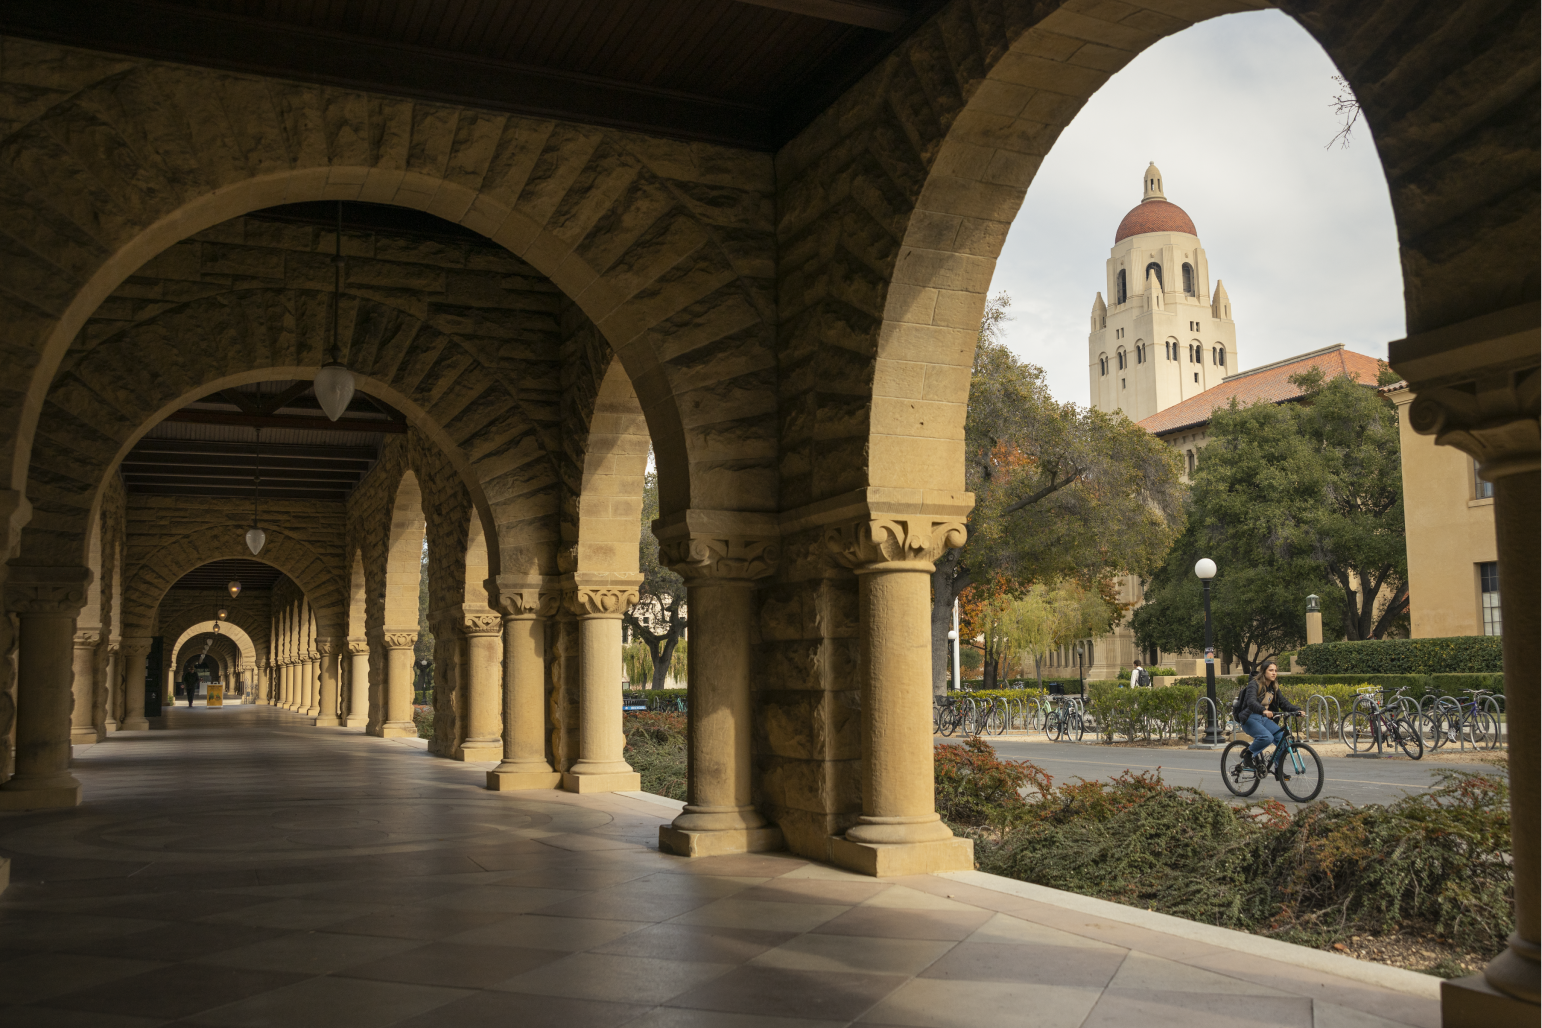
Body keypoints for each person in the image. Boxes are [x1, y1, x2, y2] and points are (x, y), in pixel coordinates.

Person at [1238, 659, 1300, 770]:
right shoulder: (1254, 684)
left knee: (1284, 741)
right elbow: (1251, 702)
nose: (1274, 673)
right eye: (1271, 670)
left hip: (1263, 719)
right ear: (1263, 672)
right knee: (1266, 737)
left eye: (1275, 670)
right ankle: (1248, 754)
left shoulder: (1273, 686)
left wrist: (1297, 710)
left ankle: (1278, 769)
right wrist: (1263, 710)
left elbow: (1283, 702)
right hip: (1250, 718)